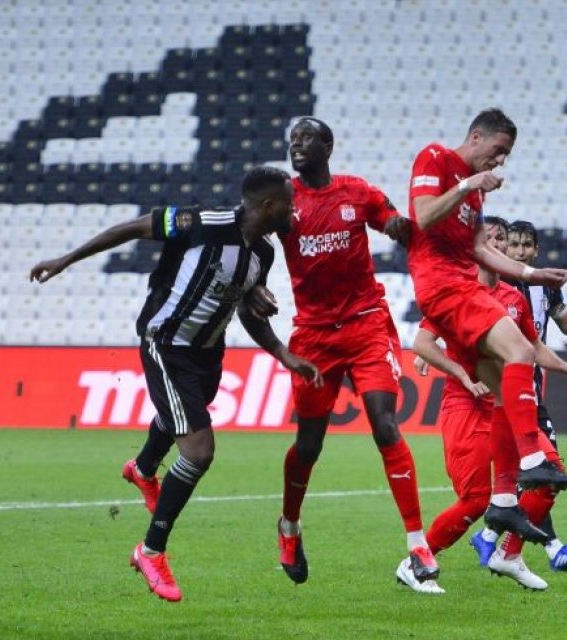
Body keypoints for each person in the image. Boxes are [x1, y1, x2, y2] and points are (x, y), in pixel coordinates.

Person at [29, 166, 322, 602]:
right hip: (166, 342)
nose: (293, 210)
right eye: (288, 203)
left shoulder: (263, 252)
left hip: (208, 351)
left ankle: (144, 468)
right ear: (267, 206)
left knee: (186, 412)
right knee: (199, 451)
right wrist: (65, 260)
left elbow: (247, 310)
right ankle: (150, 551)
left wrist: (281, 353)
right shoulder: (201, 223)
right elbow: (132, 228)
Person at [246, 117, 437, 593]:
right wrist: (253, 288)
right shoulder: (284, 202)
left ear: (327, 146)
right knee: (309, 445)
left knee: (384, 422)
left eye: (307, 138)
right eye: (292, 139)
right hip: (313, 335)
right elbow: (246, 241)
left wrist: (397, 226)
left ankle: (417, 542)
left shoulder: (355, 192)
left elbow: (390, 218)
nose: (297, 145)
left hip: (366, 323)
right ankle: (288, 527)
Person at [406, 108, 567, 500]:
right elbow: (422, 217)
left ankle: (504, 499)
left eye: (506, 154)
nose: (501, 159)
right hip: (444, 284)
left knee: (504, 390)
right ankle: (532, 460)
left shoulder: (478, 191)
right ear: (476, 137)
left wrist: (532, 274)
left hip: (458, 284)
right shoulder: (435, 158)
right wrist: (466, 184)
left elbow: (478, 249)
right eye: (499, 149)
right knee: (520, 349)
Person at [413, 216, 567, 591]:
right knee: (475, 500)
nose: (498, 246)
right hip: (467, 404)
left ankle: (508, 554)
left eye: (501, 240)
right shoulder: (455, 291)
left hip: (506, 404)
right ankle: (416, 561)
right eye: (491, 240)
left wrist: (563, 367)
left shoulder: (513, 297)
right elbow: (423, 343)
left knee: (549, 476)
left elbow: (532, 346)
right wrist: (462, 374)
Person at [468, 219, 567, 572]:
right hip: (510, 389)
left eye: (526, 246)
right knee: (545, 471)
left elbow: (561, 324)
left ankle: (492, 538)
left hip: (532, 388)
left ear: (536, 250)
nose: (518, 250)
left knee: (542, 474)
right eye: (513, 244)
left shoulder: (544, 289)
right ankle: (548, 549)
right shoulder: (498, 282)